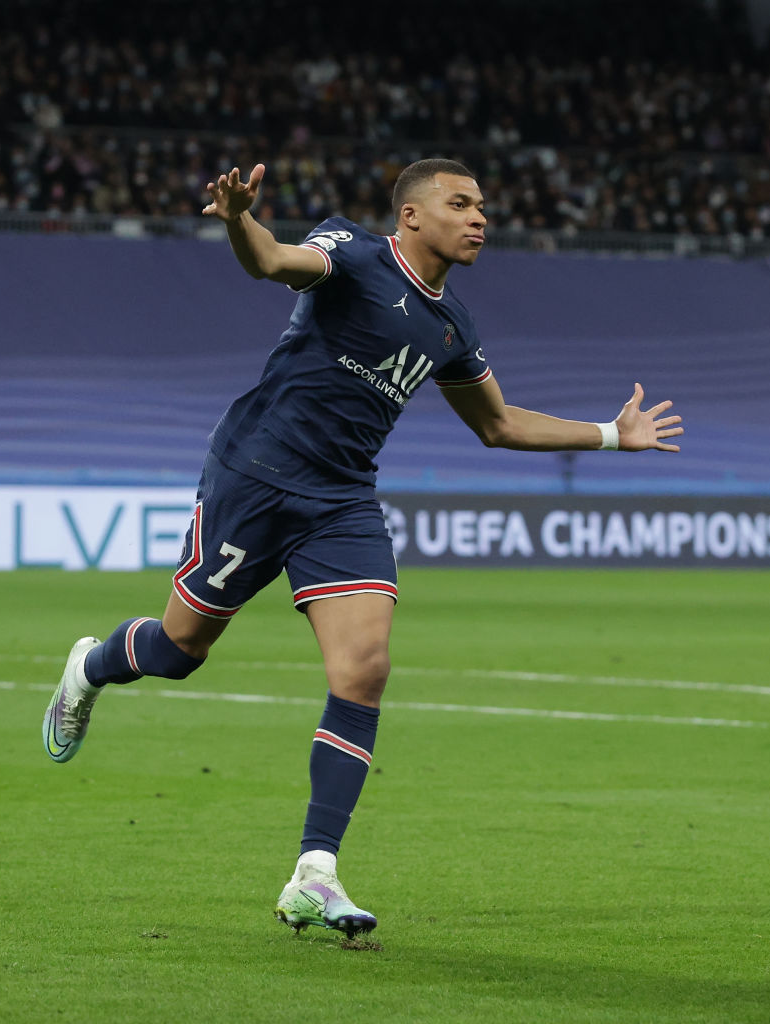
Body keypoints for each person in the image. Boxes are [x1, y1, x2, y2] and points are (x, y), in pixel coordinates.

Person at [42, 158, 683, 938]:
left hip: (341, 500)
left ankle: (314, 873)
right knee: (179, 650)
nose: (479, 217)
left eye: (482, 206)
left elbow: (498, 424)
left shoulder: (453, 325)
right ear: (411, 216)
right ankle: (91, 667)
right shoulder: (351, 252)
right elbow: (273, 261)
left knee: (364, 669)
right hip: (255, 475)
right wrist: (239, 218)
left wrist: (611, 434)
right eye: (460, 203)